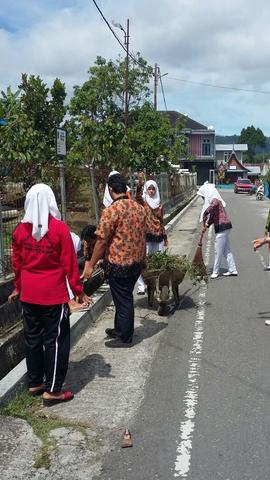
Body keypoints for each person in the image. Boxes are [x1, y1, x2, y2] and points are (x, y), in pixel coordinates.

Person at [8, 183, 91, 406]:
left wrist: (18, 287)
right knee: (55, 341)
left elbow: (17, 264)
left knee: (33, 338)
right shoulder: (60, 229)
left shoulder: (19, 231)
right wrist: (78, 292)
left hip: (29, 295)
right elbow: (70, 265)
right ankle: (53, 390)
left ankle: (35, 381)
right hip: (53, 295)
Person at [82, 174, 147, 345]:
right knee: (122, 298)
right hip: (136, 262)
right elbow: (142, 237)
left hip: (120, 265)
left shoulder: (111, 211)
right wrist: (144, 260)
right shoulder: (139, 208)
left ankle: (125, 337)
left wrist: (90, 265)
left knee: (123, 300)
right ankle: (120, 329)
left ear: (110, 189)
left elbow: (101, 240)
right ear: (125, 188)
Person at [197, 182, 238, 279]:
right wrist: (206, 226)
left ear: (207, 193)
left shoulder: (215, 200)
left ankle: (215, 271)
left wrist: (205, 213)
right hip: (225, 227)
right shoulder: (213, 201)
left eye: (203, 196)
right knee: (226, 250)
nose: (203, 199)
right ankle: (233, 269)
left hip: (223, 227)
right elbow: (212, 218)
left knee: (217, 250)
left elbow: (211, 208)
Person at [135, 175, 168, 294]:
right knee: (144, 260)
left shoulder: (159, 204)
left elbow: (161, 221)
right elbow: (137, 196)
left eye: (153, 189)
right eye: (149, 189)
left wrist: (165, 237)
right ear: (146, 190)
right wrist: (139, 184)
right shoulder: (144, 202)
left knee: (157, 260)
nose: (152, 191)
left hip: (158, 235)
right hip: (146, 236)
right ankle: (141, 286)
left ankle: (155, 283)